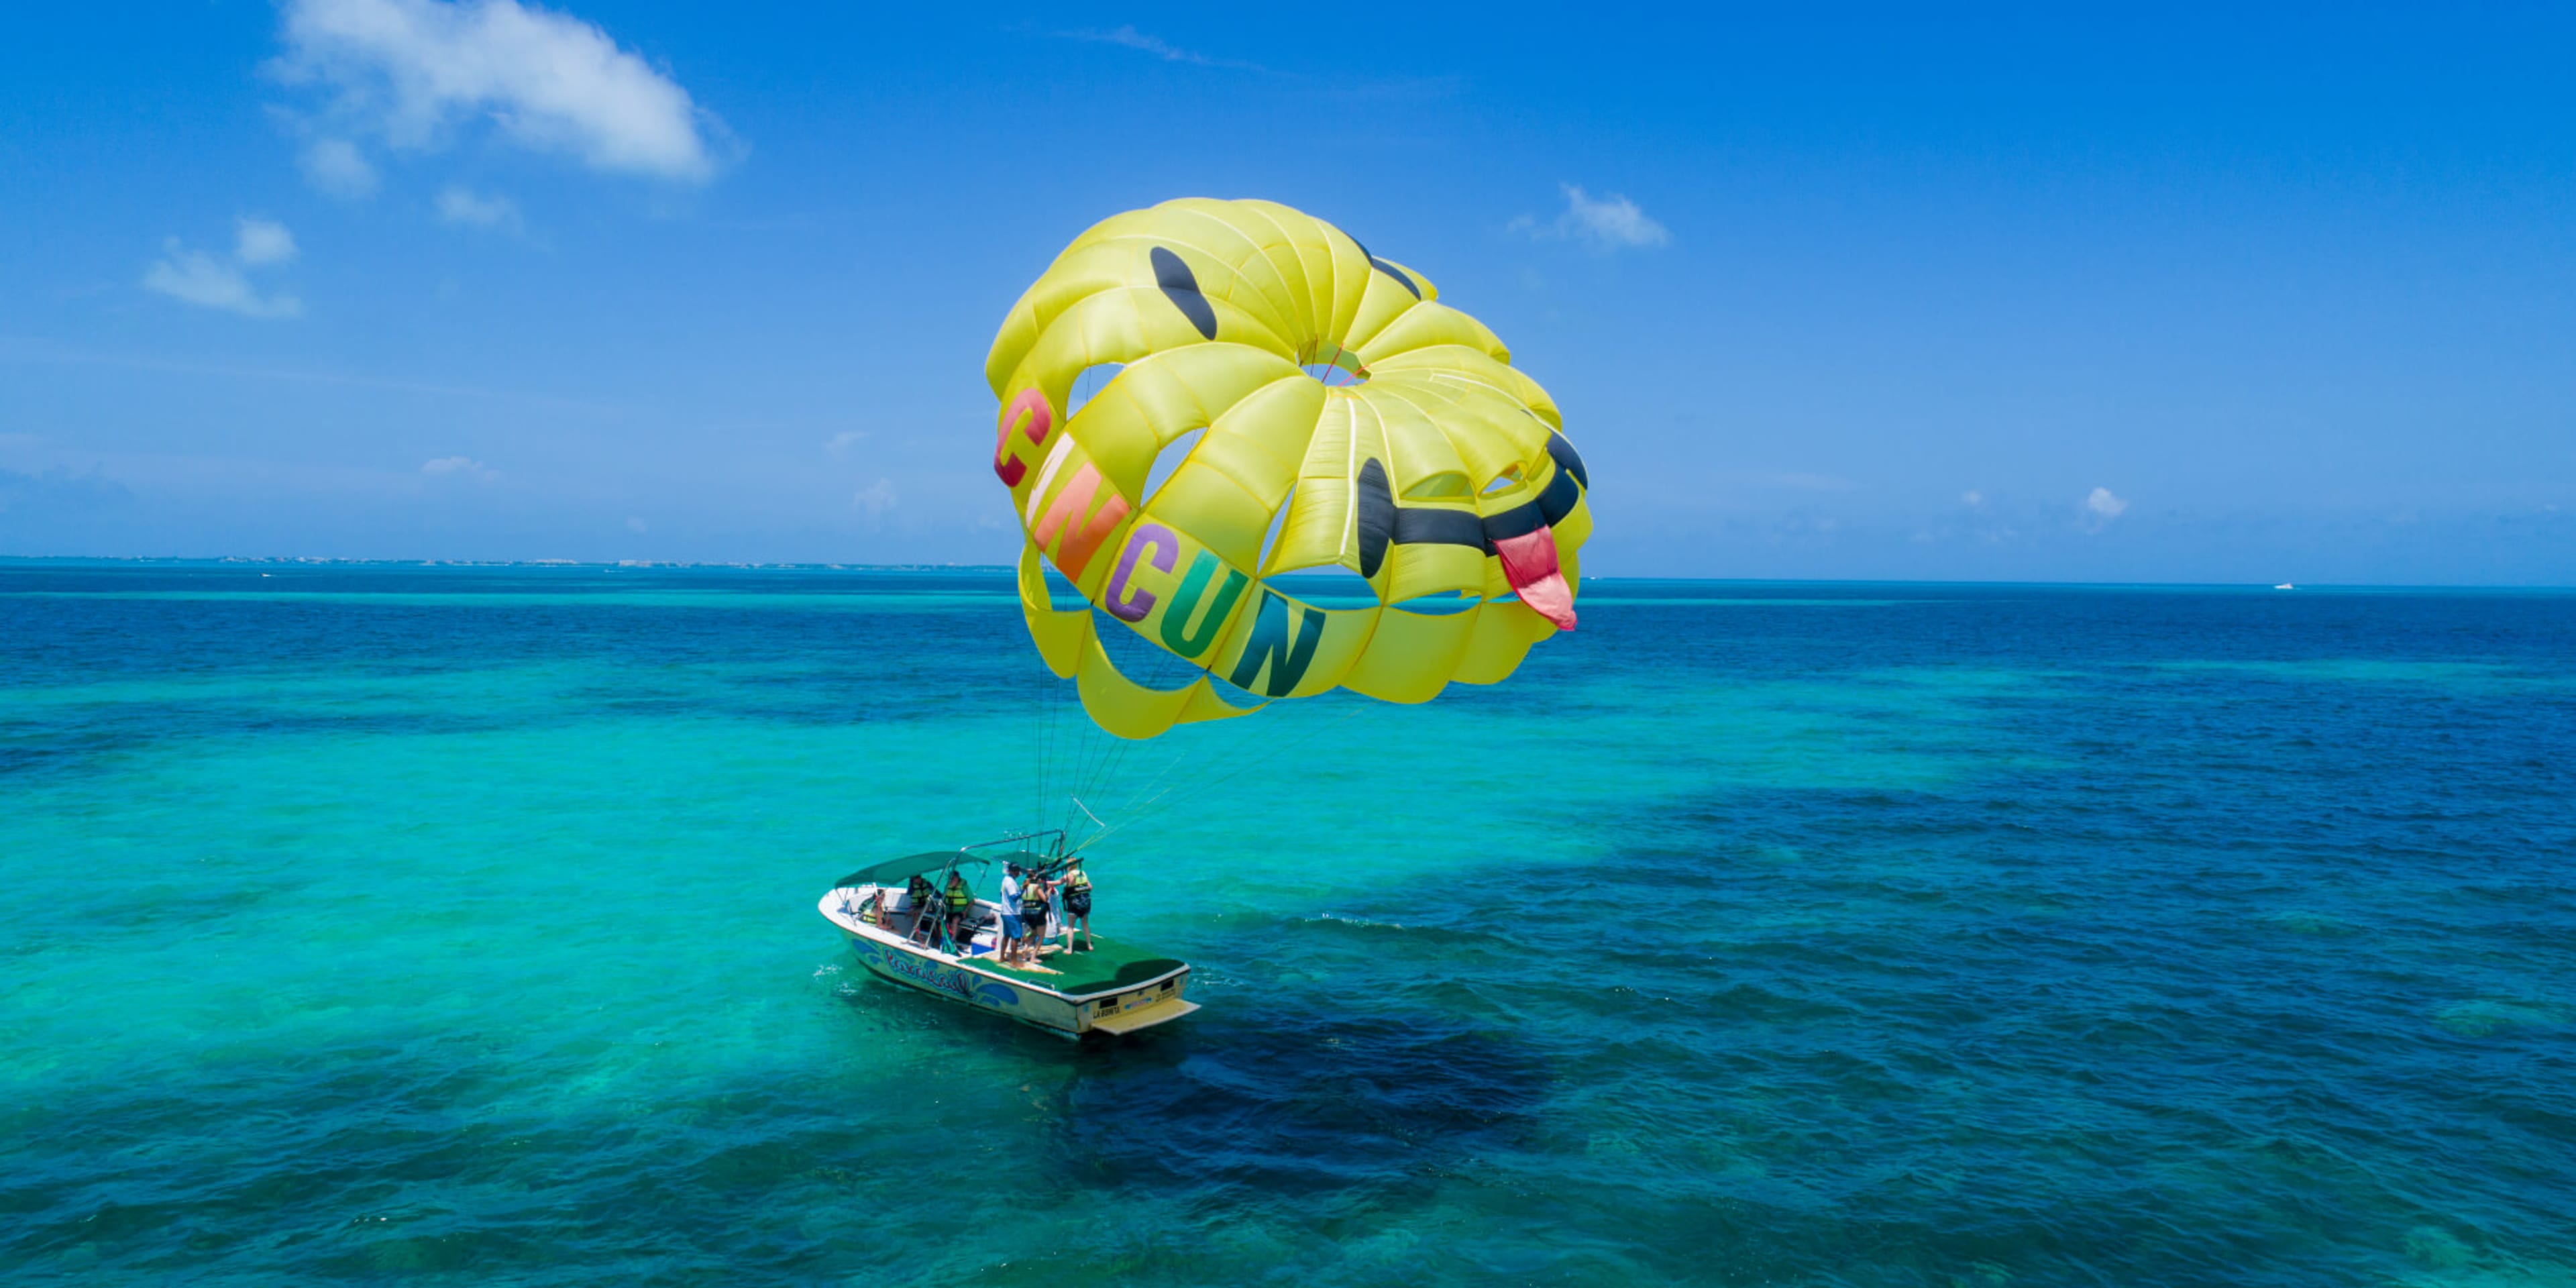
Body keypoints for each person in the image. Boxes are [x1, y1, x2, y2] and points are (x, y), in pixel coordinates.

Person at [1058, 857, 1093, 953]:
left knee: (1070, 926)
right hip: (1085, 902)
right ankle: (1089, 945)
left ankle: (1070, 949)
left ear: (1069, 866)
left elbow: (1058, 882)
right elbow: (1090, 887)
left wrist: (1046, 882)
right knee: (1085, 924)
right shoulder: (1082, 873)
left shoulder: (1069, 875)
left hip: (1074, 903)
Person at [1020, 869, 1055, 959]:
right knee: (1041, 936)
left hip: (1027, 913)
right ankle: (1033, 957)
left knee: (1033, 933)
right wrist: (1049, 890)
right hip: (1037, 914)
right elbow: (1045, 899)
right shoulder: (1036, 887)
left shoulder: (1023, 886)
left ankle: (1025, 948)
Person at [996, 863, 1026, 965]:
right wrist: (1023, 889)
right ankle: (1013, 961)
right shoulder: (1010, 882)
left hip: (1006, 912)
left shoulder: (1005, 880)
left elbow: (1001, 894)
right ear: (1012, 871)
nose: (1018, 873)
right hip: (1012, 913)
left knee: (1007, 935)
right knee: (1016, 937)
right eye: (1016, 871)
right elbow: (1014, 897)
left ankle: (1002, 957)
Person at [942, 869, 975, 953]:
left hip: (961, 912)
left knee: (955, 920)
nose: (951, 881)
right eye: (950, 879)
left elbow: (972, 901)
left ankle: (953, 940)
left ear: (957, 879)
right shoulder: (947, 887)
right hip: (949, 911)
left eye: (953, 879)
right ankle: (943, 938)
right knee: (942, 919)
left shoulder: (964, 887)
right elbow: (944, 900)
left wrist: (965, 911)